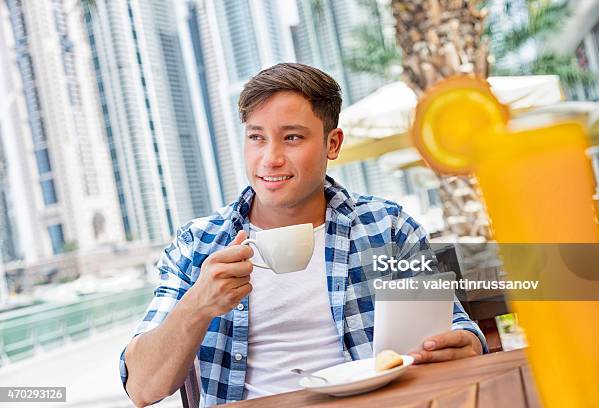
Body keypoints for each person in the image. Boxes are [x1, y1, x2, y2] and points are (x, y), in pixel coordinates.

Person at [120, 63, 487, 407]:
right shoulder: (197, 244)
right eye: (257, 138)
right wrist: (198, 303)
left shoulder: (388, 226)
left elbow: (456, 329)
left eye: (292, 137)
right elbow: (142, 388)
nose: (270, 158)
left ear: (333, 143)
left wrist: (465, 343)